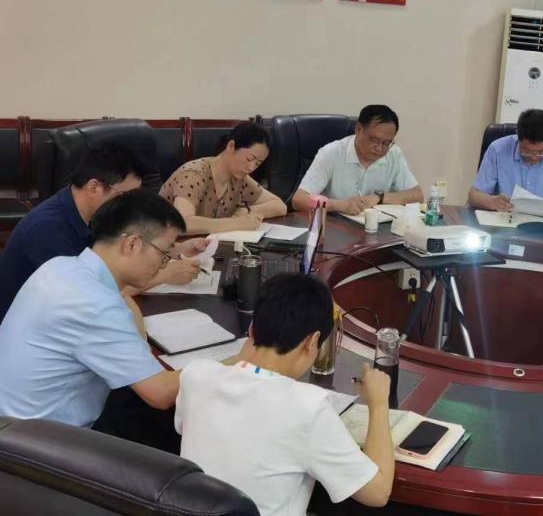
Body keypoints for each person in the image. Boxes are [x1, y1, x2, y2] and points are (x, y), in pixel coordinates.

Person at [175, 274, 394, 515]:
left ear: (252, 329)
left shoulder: (196, 375)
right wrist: (379, 403)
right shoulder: (308, 408)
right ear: (312, 342)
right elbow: (378, 493)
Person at [0, 190, 187, 428]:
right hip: (40, 439)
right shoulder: (96, 305)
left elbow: (122, 301)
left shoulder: (61, 266)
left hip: (14, 418)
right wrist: (233, 364)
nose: (164, 263)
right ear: (132, 244)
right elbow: (161, 393)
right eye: (164, 253)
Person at [0, 143, 205, 324]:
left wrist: (175, 248)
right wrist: (166, 275)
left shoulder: (88, 214)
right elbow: (99, 291)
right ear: (94, 187)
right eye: (124, 196)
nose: (129, 206)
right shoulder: (48, 230)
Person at [292, 105, 422, 216]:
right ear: (358, 129)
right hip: (335, 228)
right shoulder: (331, 153)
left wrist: (379, 197)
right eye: (375, 140)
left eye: (387, 143)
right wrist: (339, 205)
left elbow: (417, 195)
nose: (380, 148)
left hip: (376, 230)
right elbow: (299, 200)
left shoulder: (394, 154)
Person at [160, 121, 287, 234]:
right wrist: (237, 223)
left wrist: (246, 211)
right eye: (249, 159)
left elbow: (279, 206)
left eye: (258, 163)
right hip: (164, 247)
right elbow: (182, 224)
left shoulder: (239, 178)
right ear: (231, 146)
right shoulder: (193, 175)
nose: (251, 167)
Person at [468, 109, 543, 225]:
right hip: (503, 224)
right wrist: (493, 202)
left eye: (542, 152)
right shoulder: (497, 150)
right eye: (527, 151)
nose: (534, 157)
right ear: (518, 137)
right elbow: (474, 196)